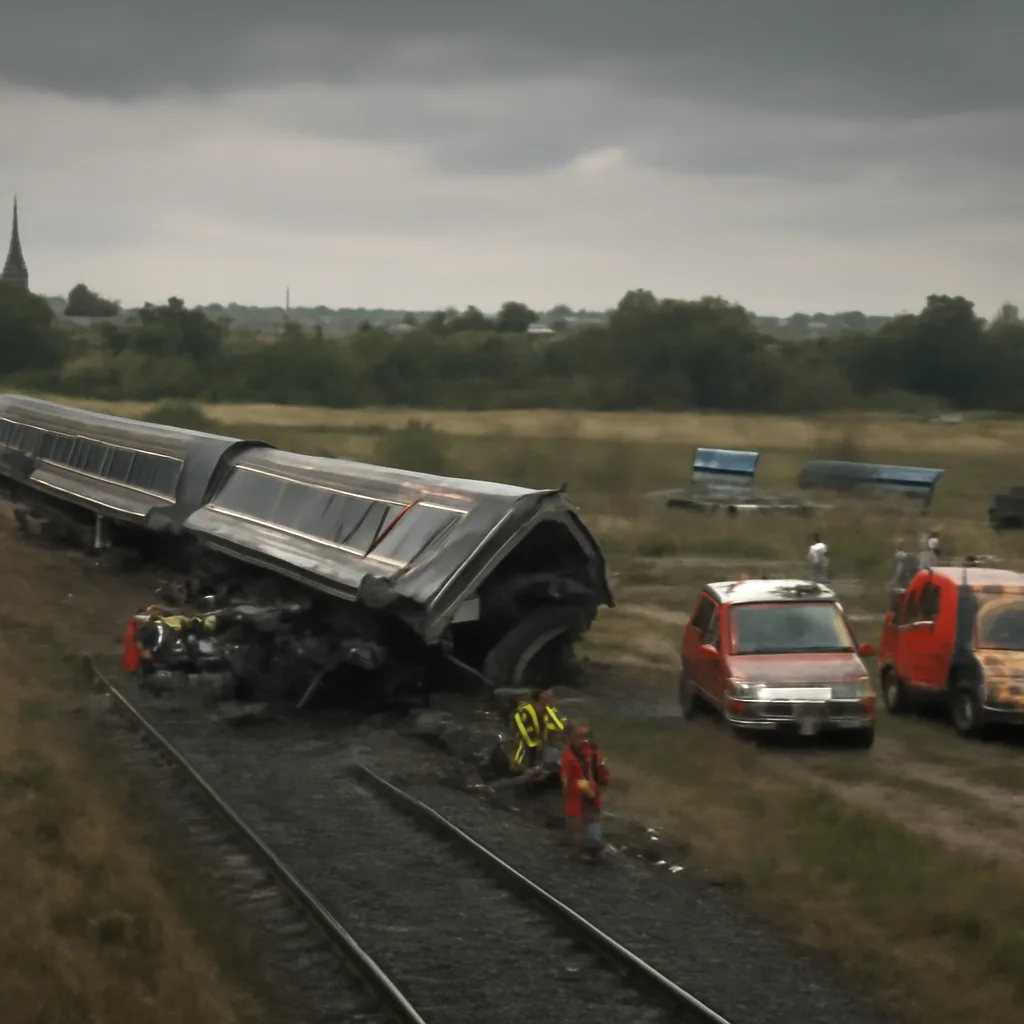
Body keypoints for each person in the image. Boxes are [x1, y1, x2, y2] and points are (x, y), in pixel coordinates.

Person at [560, 721, 610, 860]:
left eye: (584, 736)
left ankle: (592, 846)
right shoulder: (568, 756)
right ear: (570, 738)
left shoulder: (591, 750)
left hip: (590, 792)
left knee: (593, 817)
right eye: (579, 737)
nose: (583, 740)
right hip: (577, 794)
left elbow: (600, 767)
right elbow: (567, 778)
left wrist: (603, 781)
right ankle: (582, 847)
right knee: (578, 820)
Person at [510, 688, 565, 772]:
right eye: (547, 698)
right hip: (527, 748)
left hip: (542, 747)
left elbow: (559, 725)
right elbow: (523, 734)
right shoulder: (524, 713)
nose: (551, 701)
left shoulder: (548, 710)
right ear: (540, 699)